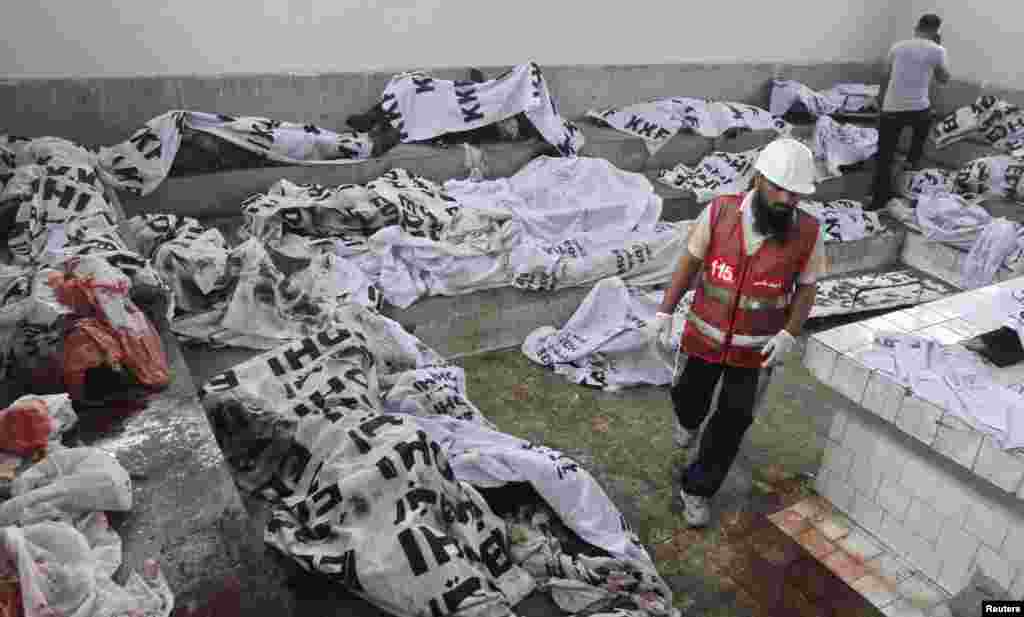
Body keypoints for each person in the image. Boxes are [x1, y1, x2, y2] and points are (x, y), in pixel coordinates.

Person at [647, 138, 826, 527]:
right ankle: (688, 421)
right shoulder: (718, 213)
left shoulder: (809, 233)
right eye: (778, 188)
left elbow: (808, 286)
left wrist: (790, 334)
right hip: (703, 338)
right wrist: (664, 311)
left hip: (756, 350)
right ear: (758, 179)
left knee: (733, 420)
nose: (785, 199)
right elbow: (690, 263)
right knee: (688, 398)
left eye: (794, 194)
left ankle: (698, 489)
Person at [867, 13, 951, 211]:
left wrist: (880, 100)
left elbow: (885, 76)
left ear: (917, 28)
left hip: (892, 108)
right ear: (936, 31)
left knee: (884, 155)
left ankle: (878, 199)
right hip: (919, 110)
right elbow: (943, 79)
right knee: (919, 139)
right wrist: (938, 48)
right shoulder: (937, 49)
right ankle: (909, 171)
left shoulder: (897, 47)